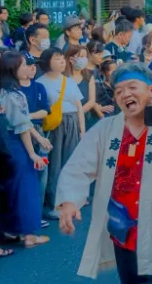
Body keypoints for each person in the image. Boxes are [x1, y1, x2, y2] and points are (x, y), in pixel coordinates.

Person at [55, 62, 152, 282]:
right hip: (124, 233)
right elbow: (79, 166)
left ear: (151, 90)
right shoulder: (106, 129)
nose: (125, 94)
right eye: (119, 91)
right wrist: (69, 201)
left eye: (133, 87)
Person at [0, 52, 52, 249]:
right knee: (27, 189)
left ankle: (12, 230)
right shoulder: (15, 95)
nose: (28, 68)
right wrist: (33, 153)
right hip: (17, 144)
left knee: (11, 188)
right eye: (24, 65)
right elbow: (23, 126)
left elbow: (23, 122)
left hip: (3, 145)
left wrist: (39, 138)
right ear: (13, 69)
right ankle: (29, 235)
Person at [39, 47, 86, 219]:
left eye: (62, 58)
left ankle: (68, 203)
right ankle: (52, 204)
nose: (62, 62)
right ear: (47, 62)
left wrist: (82, 130)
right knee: (55, 164)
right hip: (55, 125)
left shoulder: (69, 81)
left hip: (72, 121)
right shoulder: (41, 83)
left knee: (70, 163)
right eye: (57, 58)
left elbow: (78, 106)